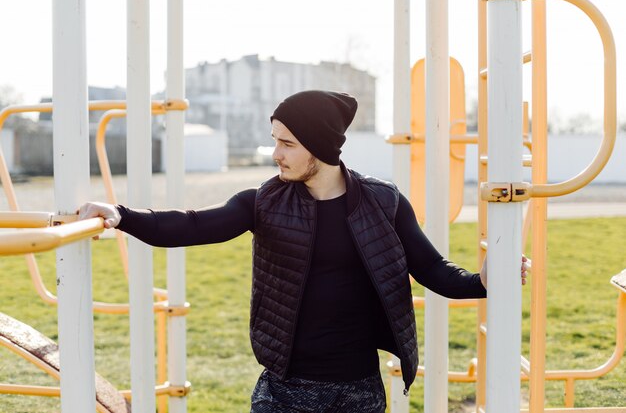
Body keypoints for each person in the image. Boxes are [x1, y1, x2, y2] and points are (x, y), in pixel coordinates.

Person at [79, 90, 527, 413]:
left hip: (360, 390)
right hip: (286, 391)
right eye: (275, 140)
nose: (276, 154)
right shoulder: (263, 202)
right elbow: (194, 225)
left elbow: (431, 268)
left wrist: (484, 281)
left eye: (287, 143)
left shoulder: (383, 201)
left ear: (323, 146)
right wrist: (120, 215)